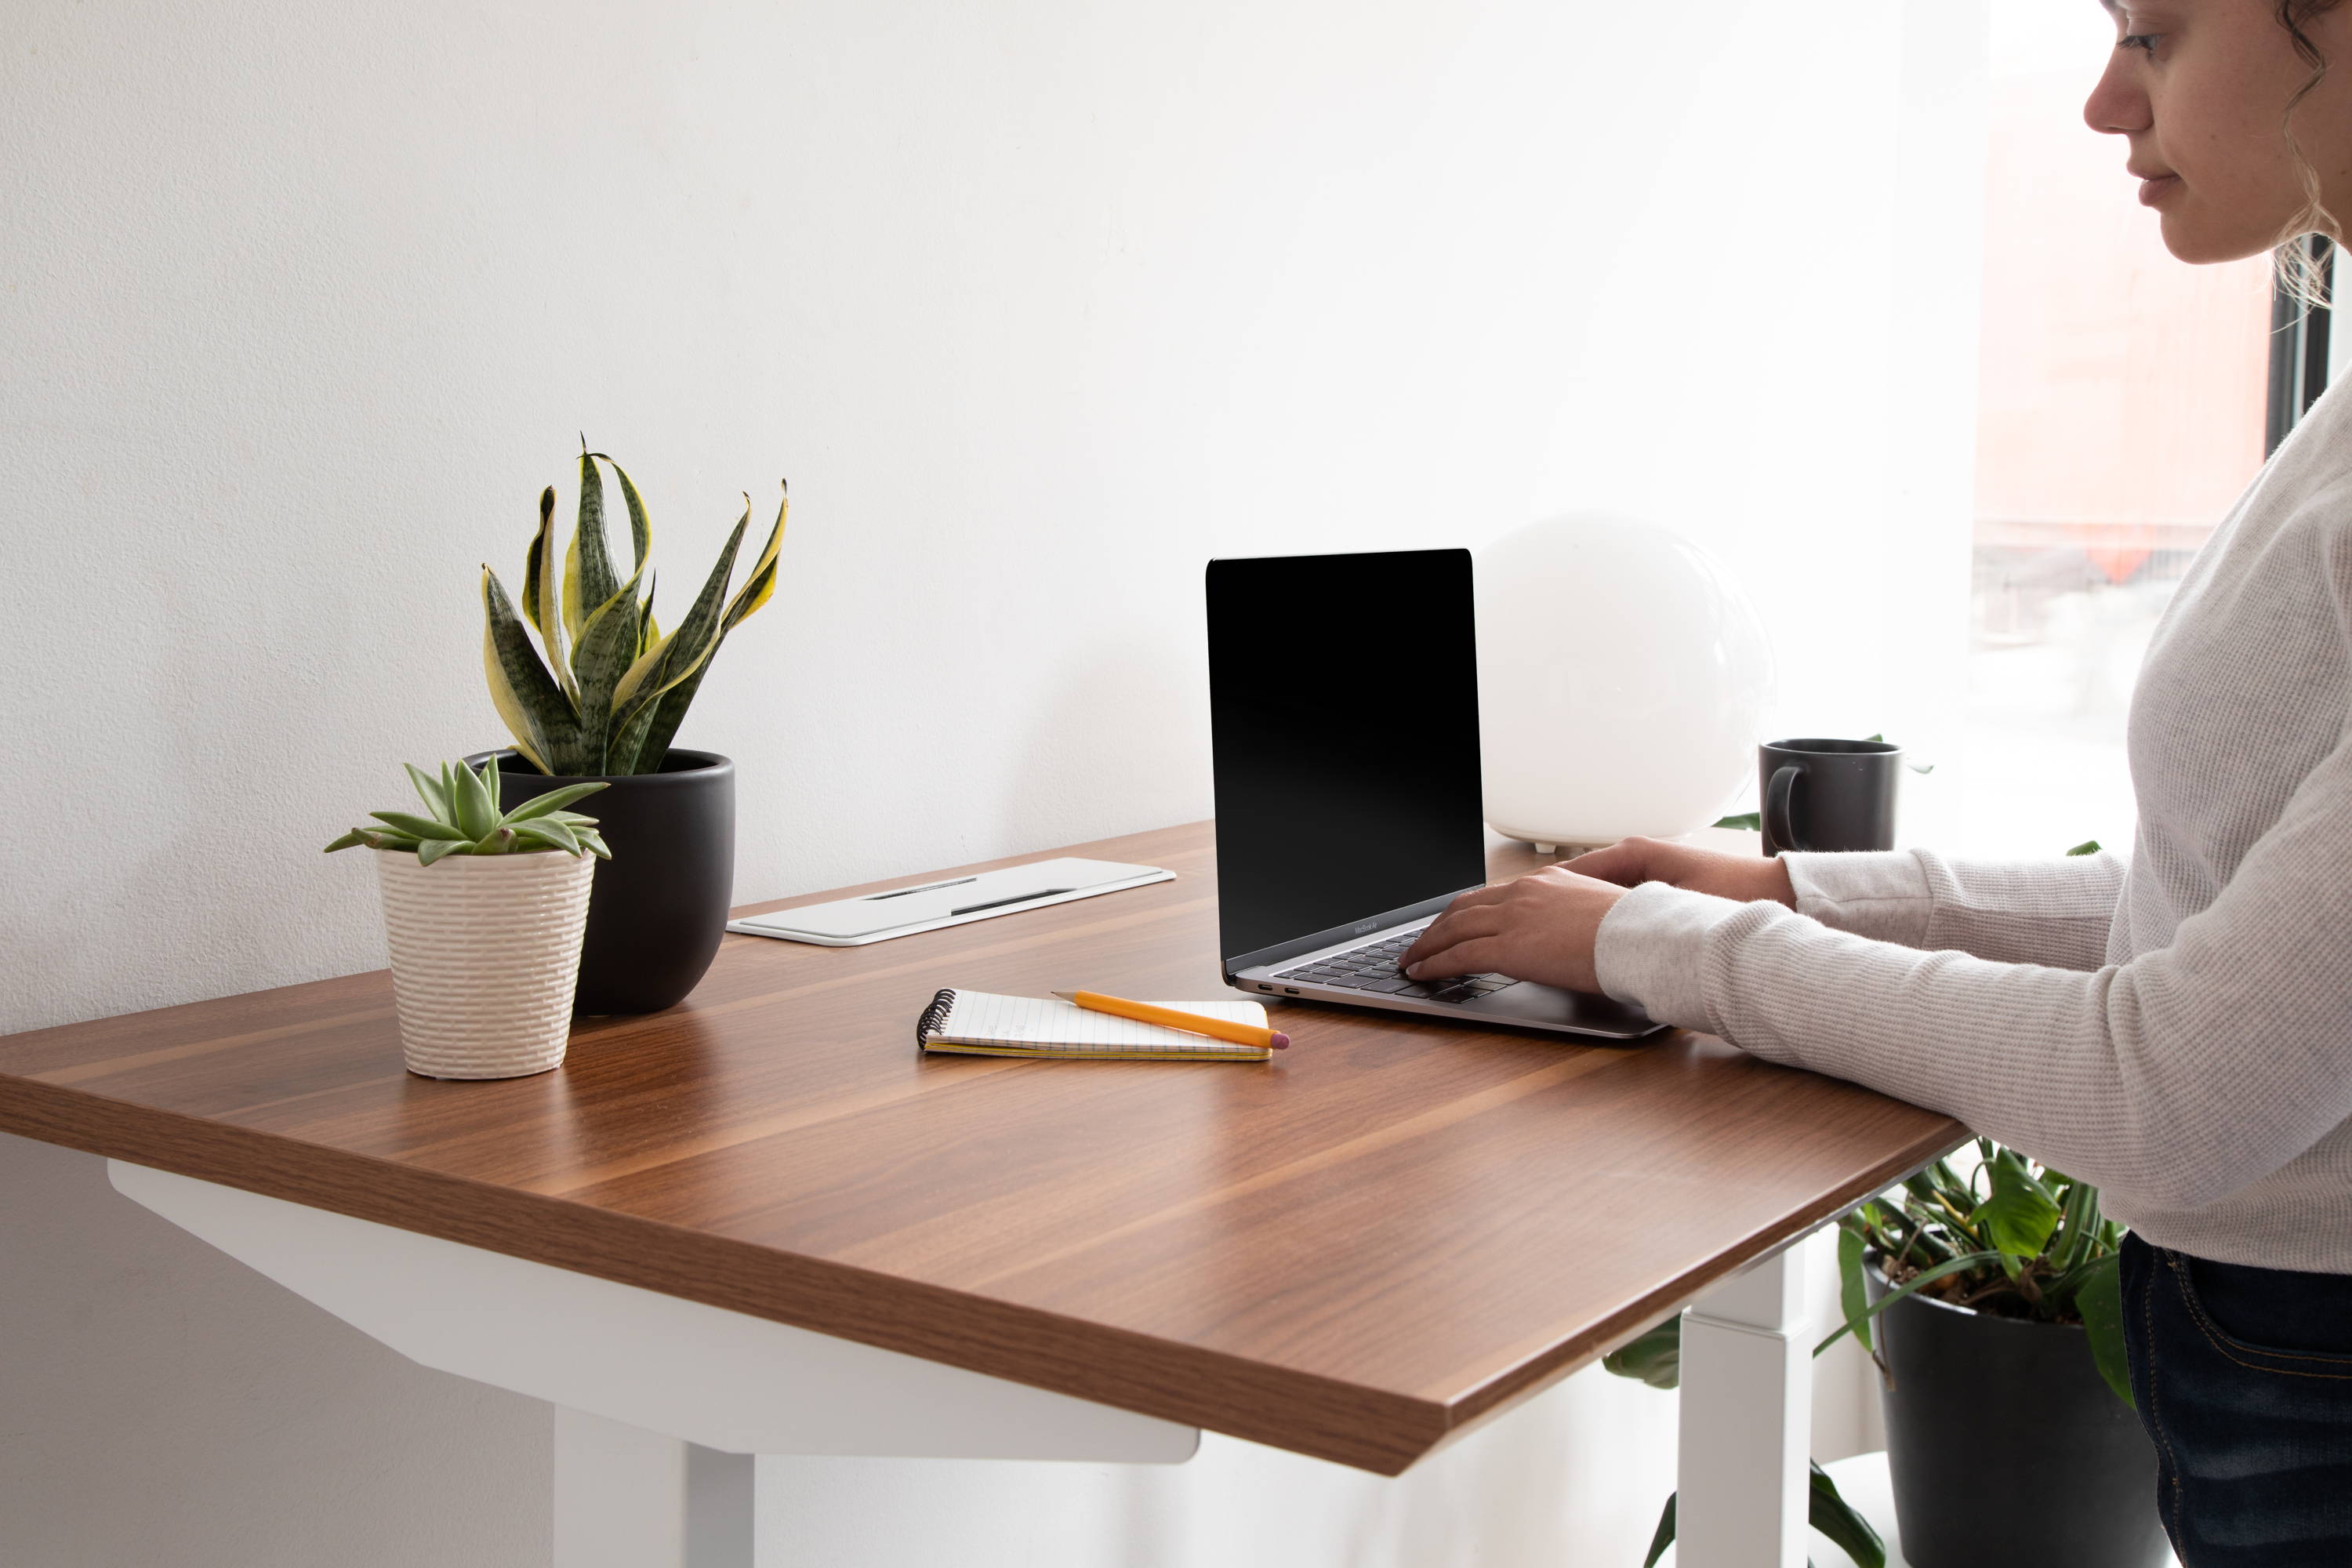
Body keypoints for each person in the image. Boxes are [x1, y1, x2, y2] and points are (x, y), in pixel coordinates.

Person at [1399, 3, 2352, 1563]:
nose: (2107, 100)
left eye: (2160, 33)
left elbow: (2178, 1090)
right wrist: (1792, 887)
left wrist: (1659, 951)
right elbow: (2224, 920)